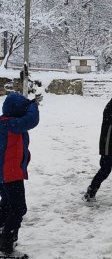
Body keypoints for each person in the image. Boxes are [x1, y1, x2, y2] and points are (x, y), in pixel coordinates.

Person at [0, 92, 40, 256]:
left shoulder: (5, 122)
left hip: (5, 174)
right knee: (18, 208)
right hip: (10, 174)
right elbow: (32, 120)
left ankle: (4, 237)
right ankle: (6, 245)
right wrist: (33, 105)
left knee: (7, 206)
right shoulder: (11, 125)